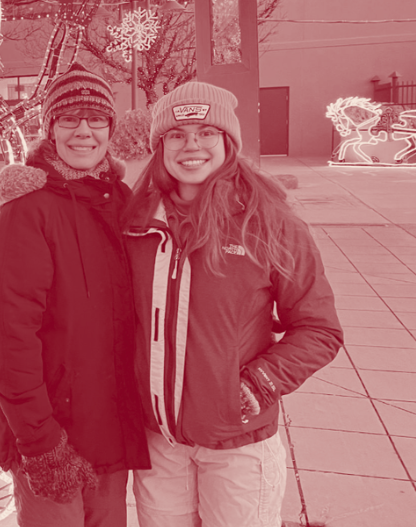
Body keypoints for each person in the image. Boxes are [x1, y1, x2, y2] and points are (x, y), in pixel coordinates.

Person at [125, 81, 344, 527]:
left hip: (238, 444)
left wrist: (257, 383)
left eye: (206, 132)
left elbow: (319, 329)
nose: (192, 146)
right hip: (159, 440)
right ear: (160, 145)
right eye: (176, 134)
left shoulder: (271, 223)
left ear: (228, 141)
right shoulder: (135, 225)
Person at [0, 63, 151, 527]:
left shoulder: (120, 199)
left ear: (111, 129)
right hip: (54, 432)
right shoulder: (29, 210)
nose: (84, 131)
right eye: (69, 119)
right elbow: (9, 336)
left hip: (111, 427)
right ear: (50, 128)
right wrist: (40, 444)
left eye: (96, 119)